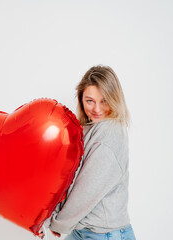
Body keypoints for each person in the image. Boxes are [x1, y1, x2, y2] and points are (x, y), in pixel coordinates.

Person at [40, 65, 136, 240]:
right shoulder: (88, 130)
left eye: (104, 100)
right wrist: (49, 218)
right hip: (83, 230)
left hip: (105, 234)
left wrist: (58, 223)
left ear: (115, 99)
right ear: (81, 99)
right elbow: (69, 179)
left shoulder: (110, 133)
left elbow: (87, 189)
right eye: (90, 101)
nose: (97, 109)